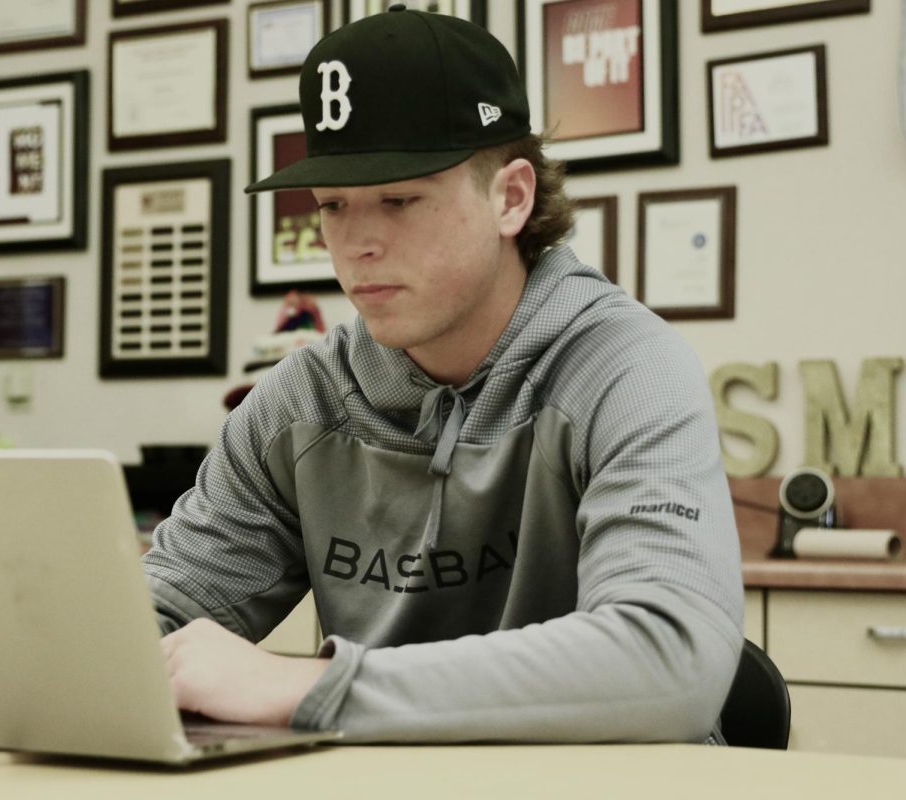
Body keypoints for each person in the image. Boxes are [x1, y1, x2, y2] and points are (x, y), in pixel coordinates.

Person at [145, 5, 744, 744]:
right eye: (333, 205)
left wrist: (315, 687)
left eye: (399, 199)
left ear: (511, 197)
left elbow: (672, 661)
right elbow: (145, 622)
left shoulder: (628, 370)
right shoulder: (297, 405)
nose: (357, 243)